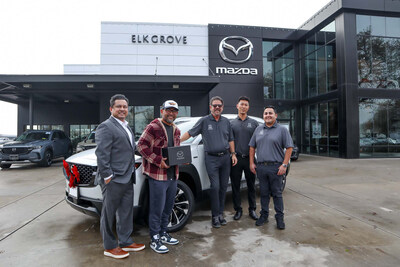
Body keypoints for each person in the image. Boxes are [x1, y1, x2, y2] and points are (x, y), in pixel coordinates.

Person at [95, 94, 145, 259]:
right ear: (111, 109)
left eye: (125, 106)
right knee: (109, 214)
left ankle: (125, 241)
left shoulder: (126, 126)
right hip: (114, 178)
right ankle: (109, 246)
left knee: (125, 211)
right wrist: (108, 176)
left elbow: (131, 149)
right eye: (119, 106)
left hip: (128, 176)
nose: (122, 109)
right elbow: (102, 154)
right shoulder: (106, 127)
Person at [181, 96, 237, 228]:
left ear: (222, 107)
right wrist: (176, 141)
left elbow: (231, 139)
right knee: (215, 187)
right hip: (211, 158)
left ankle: (220, 215)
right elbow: (190, 133)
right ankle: (214, 216)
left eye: (219, 105)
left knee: (223, 187)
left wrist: (233, 154)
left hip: (225, 158)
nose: (217, 107)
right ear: (211, 107)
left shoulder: (226, 122)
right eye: (214, 105)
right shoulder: (204, 121)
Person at [137, 100, 181, 254]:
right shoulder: (153, 127)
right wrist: (157, 160)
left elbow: (175, 151)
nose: (171, 113)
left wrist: (182, 159)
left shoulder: (176, 130)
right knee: (157, 209)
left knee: (168, 207)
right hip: (157, 176)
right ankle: (154, 238)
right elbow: (141, 145)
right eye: (168, 110)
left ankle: (163, 233)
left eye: (174, 111)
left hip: (172, 175)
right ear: (162, 111)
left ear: (177, 113)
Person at [249, 105, 293, 230]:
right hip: (261, 167)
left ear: (275, 115)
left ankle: (280, 218)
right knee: (263, 193)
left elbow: (289, 147)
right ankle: (264, 216)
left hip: (276, 168)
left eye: (270, 113)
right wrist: (252, 163)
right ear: (263, 116)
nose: (268, 115)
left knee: (277, 194)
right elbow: (252, 147)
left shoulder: (282, 130)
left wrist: (284, 165)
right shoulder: (258, 129)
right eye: (266, 113)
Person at [230, 96, 259, 221]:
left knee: (251, 185)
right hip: (236, 159)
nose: (243, 106)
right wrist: (232, 154)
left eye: (246, 105)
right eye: (241, 104)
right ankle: (238, 210)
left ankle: (252, 209)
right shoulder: (231, 123)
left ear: (248, 107)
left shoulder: (254, 123)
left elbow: (259, 140)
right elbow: (228, 140)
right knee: (235, 186)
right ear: (237, 106)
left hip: (250, 159)